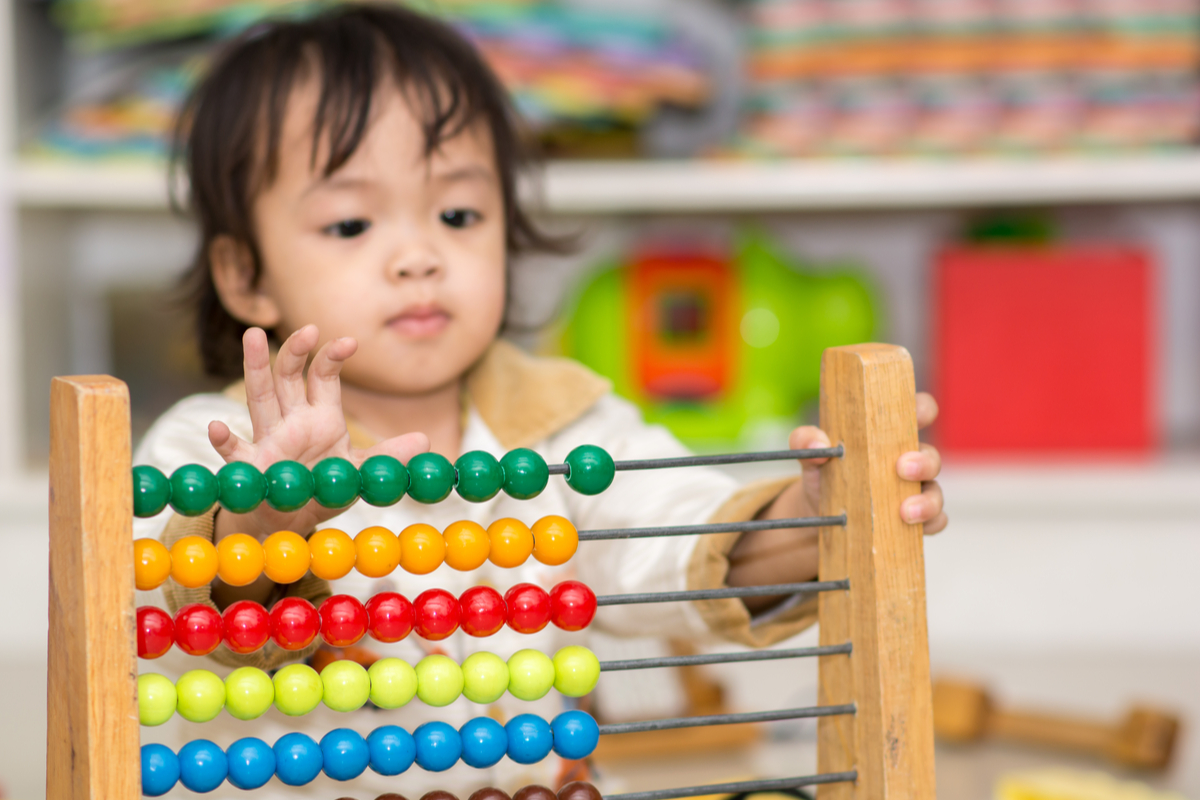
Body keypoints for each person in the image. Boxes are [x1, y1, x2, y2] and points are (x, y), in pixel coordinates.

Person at [134, 4, 947, 797]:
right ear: (244, 273)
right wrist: (264, 524)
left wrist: (812, 520)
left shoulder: (560, 426)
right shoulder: (207, 455)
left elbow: (671, 535)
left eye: (458, 213)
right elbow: (161, 618)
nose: (419, 255)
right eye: (351, 224)